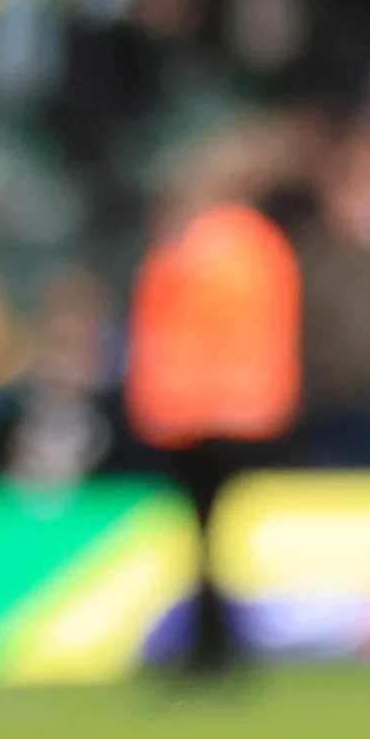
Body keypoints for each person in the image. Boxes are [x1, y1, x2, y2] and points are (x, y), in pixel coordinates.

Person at [122, 145, 301, 680]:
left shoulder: (202, 245)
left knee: (207, 536)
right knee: (210, 537)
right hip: (230, 411)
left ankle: (214, 646)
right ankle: (216, 643)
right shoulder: (255, 242)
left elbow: (175, 333)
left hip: (203, 414)